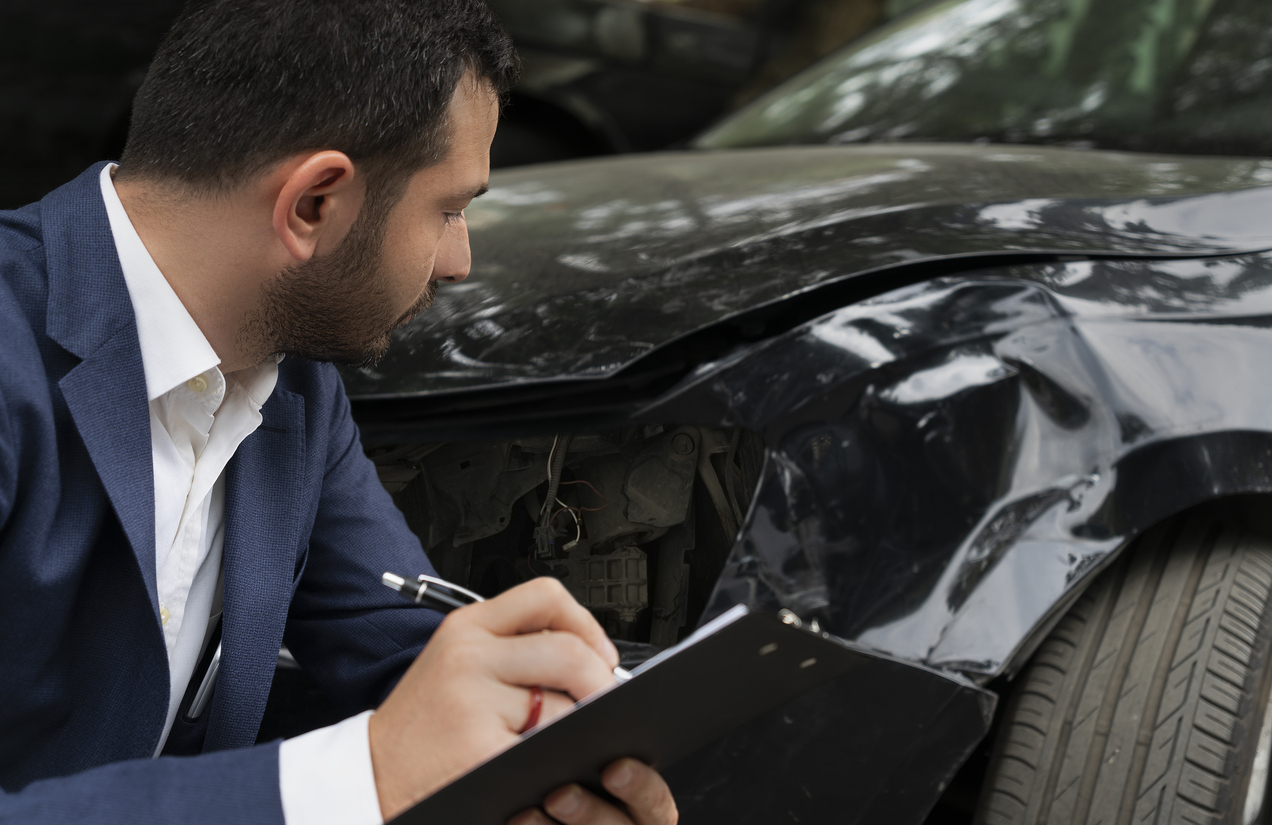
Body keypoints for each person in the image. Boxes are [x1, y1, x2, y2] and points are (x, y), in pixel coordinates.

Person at [0, 1, 678, 824]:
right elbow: (387, 754)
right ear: (315, 202)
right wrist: (365, 774)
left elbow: (400, 637)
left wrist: (555, 750)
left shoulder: (295, 386)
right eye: (451, 209)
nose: (461, 262)